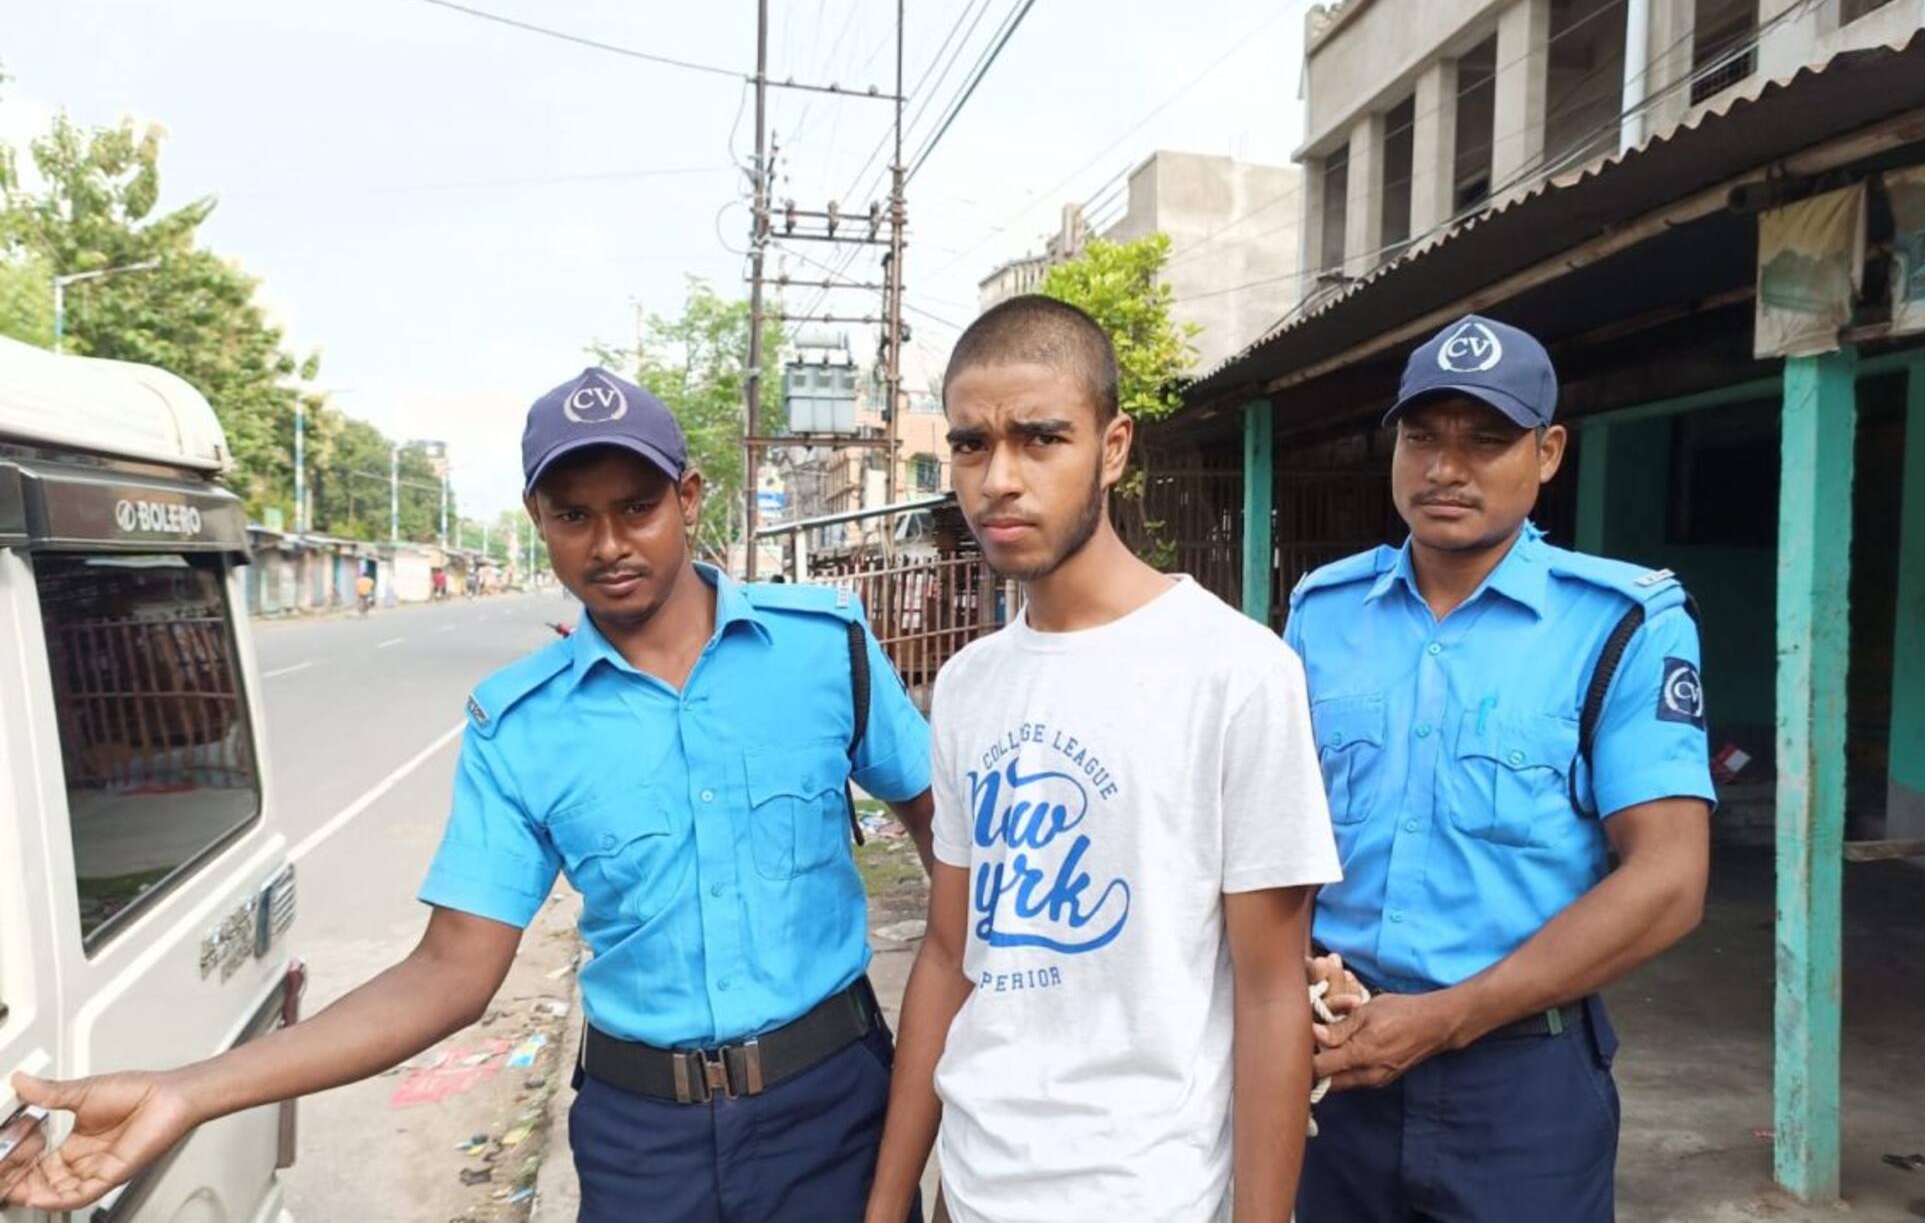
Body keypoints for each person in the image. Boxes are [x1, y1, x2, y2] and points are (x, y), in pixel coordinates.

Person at [3, 367, 936, 1223]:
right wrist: (190, 1089)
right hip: (643, 1142)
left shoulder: (825, 648)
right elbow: (449, 970)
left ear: (688, 498)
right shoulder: (518, 725)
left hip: (835, 1107)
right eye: (574, 516)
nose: (609, 543)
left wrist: (908, 1170)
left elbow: (958, 872)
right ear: (537, 518)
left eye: (637, 506)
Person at [865, 296, 1342, 1223]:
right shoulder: (968, 685)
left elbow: (1273, 990)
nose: (999, 478)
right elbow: (949, 949)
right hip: (975, 1187)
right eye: (970, 444)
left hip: (1149, 1195)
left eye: (1040, 438)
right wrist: (889, 1202)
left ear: (1113, 447)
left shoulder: (1238, 672)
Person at [1285, 316, 1714, 1223]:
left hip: (1523, 1091)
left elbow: (1670, 879)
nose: (1446, 467)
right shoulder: (1323, 616)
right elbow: (1274, 835)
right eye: (1422, 436)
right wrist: (1295, 969)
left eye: (1486, 439)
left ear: (1548, 452)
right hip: (1337, 1066)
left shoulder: (1621, 625)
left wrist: (1442, 1018)